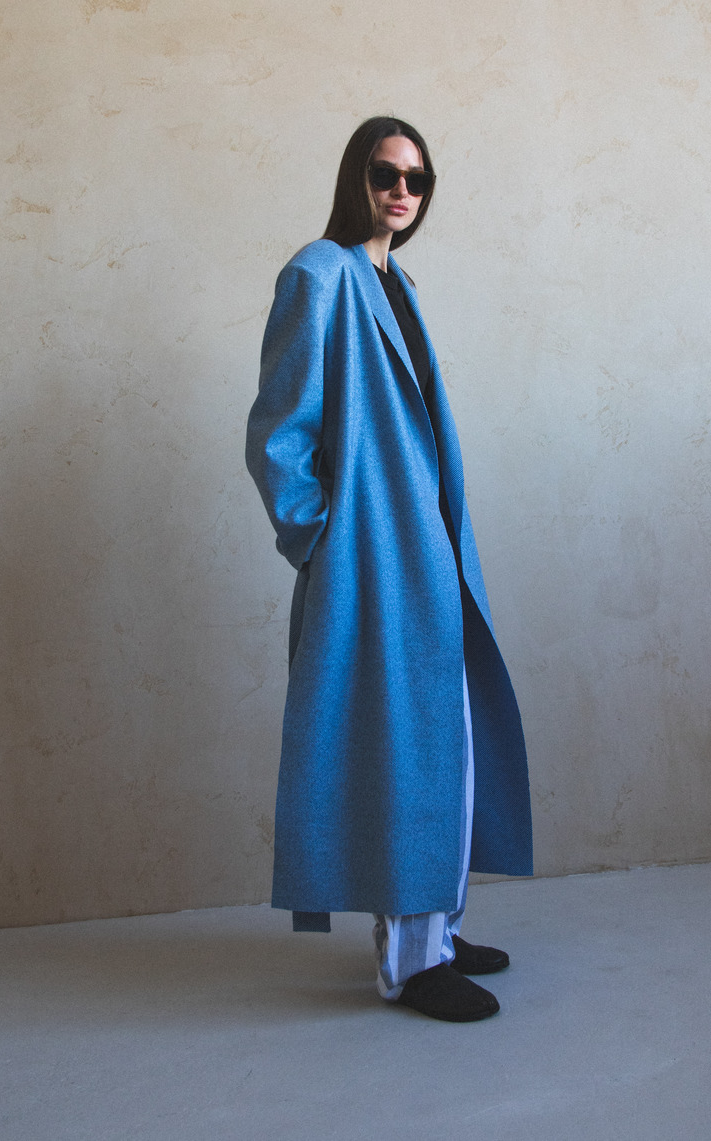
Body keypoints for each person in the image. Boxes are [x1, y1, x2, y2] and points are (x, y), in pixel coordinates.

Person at [245, 116, 533, 1022]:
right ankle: (411, 963)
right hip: (371, 558)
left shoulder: (393, 282)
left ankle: (436, 929)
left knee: (442, 742)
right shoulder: (319, 273)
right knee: (402, 748)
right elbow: (279, 432)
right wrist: (320, 541)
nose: (402, 191)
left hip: (431, 551)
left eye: (418, 178)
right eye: (384, 172)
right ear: (354, 178)